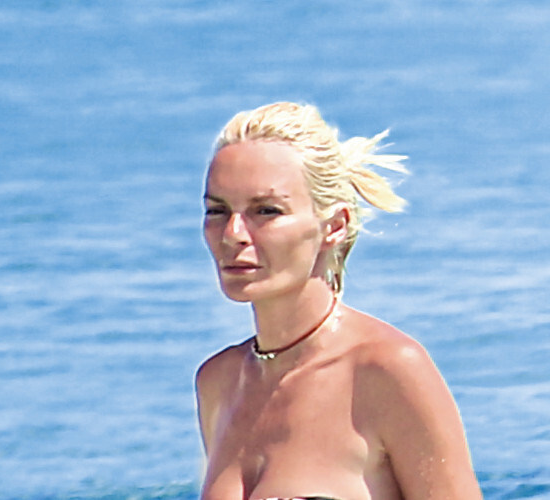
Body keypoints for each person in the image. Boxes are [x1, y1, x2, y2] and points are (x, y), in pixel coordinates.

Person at [195, 102, 482, 500]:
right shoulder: (218, 381)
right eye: (217, 210)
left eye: (266, 211)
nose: (232, 234)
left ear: (334, 226)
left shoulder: (387, 370)